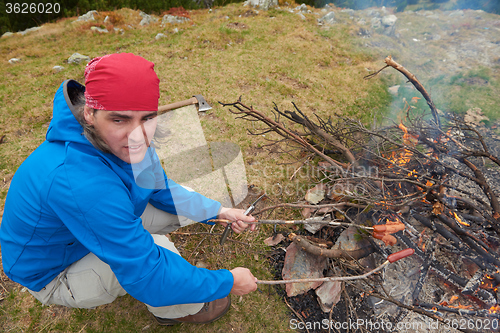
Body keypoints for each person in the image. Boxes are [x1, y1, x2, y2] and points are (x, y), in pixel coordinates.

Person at [0, 53, 258, 326]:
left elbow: (160, 188)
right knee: (159, 251)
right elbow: (148, 271)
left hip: (83, 228)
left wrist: (219, 210)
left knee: (177, 205)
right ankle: (177, 309)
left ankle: (142, 251)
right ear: (90, 113)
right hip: (54, 271)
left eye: (147, 118)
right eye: (119, 120)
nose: (138, 136)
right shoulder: (79, 181)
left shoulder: (123, 142)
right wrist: (227, 282)